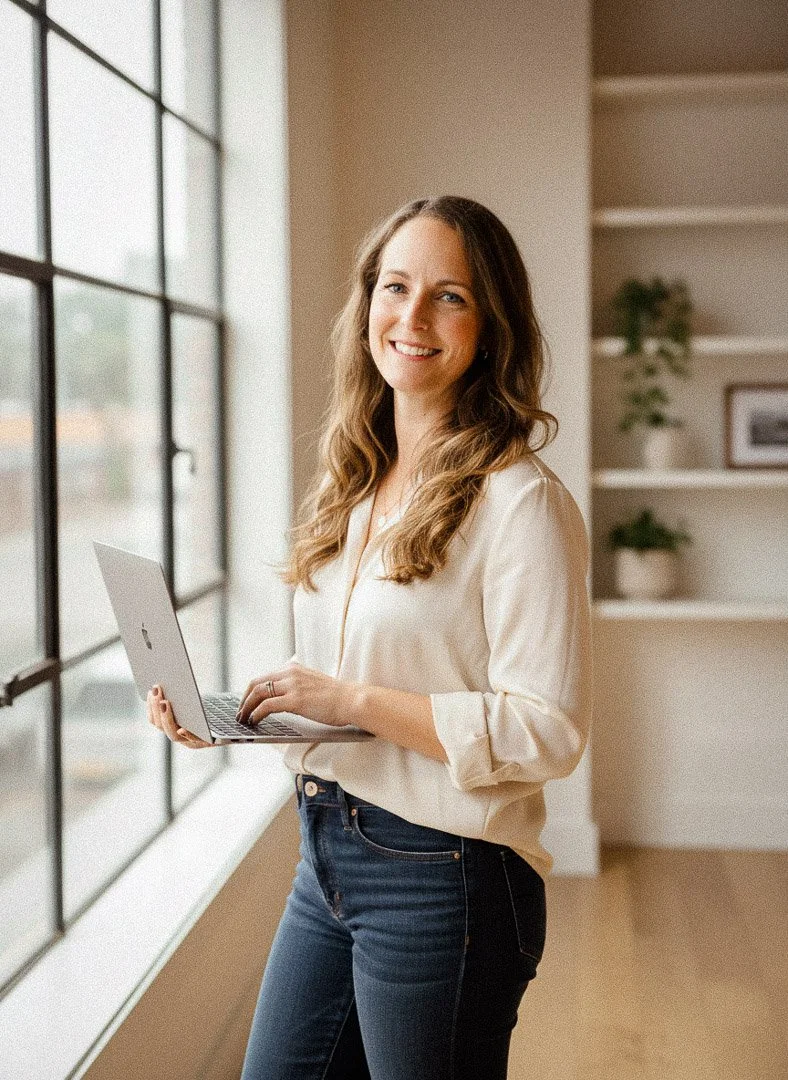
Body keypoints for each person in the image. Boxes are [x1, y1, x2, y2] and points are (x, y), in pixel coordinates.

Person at [147, 195, 592, 1080]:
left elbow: (549, 730)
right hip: (327, 847)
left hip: (447, 874)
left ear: (492, 324)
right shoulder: (354, 482)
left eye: (450, 296)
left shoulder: (520, 502)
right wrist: (242, 717)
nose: (414, 318)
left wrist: (349, 700)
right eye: (396, 287)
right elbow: (360, 699)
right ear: (367, 306)